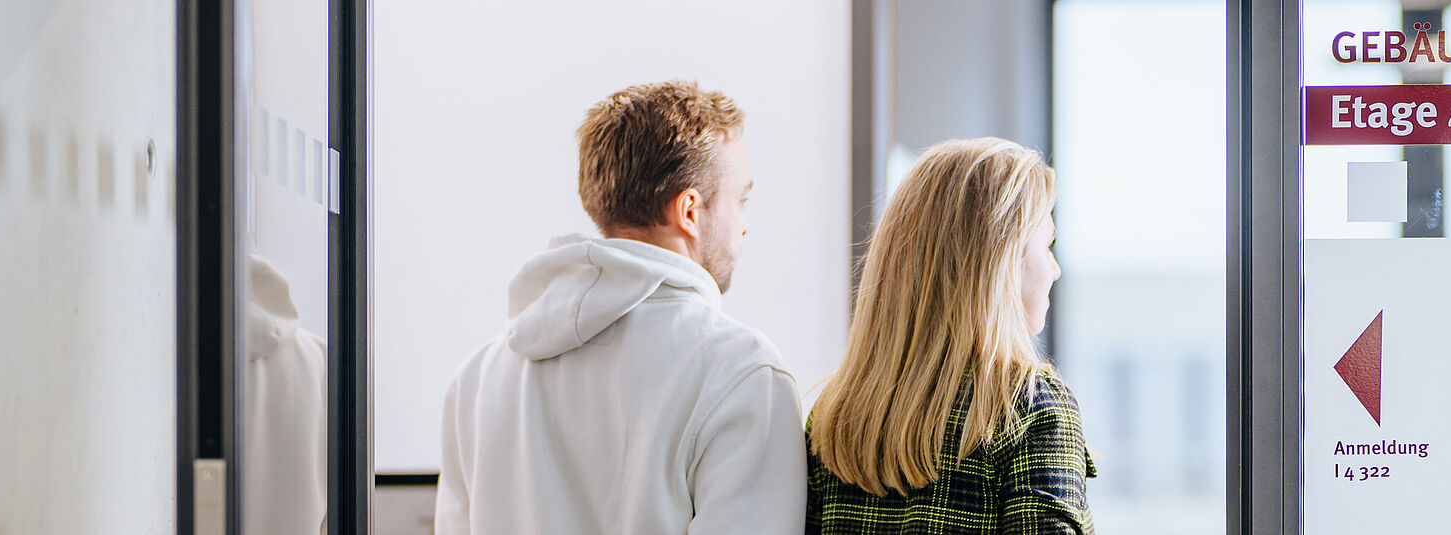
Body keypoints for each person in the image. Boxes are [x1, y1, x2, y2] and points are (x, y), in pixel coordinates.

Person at [434, 80, 804, 535]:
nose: (744, 226)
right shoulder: (744, 373)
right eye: (740, 201)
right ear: (690, 210)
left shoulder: (477, 379)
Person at [805, 137, 1094, 534]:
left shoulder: (833, 417)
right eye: (1047, 246)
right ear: (1002, 261)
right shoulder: (1030, 408)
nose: (1054, 269)